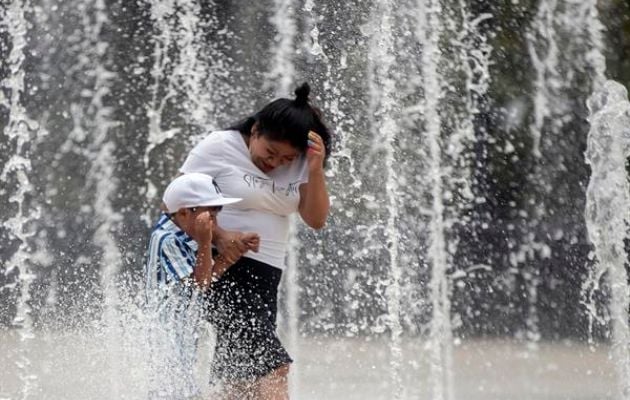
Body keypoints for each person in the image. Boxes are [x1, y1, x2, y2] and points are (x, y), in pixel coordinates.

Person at [179, 82, 332, 399]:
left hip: (266, 277)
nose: (275, 163)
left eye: (286, 159)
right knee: (274, 367)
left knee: (240, 386)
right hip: (225, 269)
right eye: (270, 152)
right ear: (256, 129)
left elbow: (316, 220)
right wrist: (221, 234)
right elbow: (175, 203)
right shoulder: (221, 146)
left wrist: (315, 170)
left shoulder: (305, 162)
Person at [144, 172, 258, 399]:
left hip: (183, 333)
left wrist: (228, 258)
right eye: (209, 215)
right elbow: (201, 283)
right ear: (185, 212)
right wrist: (206, 242)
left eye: (216, 214)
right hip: (166, 336)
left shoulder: (183, 235)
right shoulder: (166, 239)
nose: (214, 223)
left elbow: (200, 282)